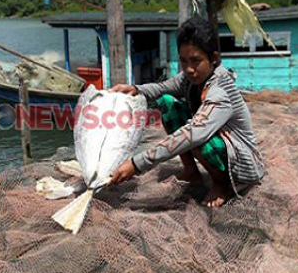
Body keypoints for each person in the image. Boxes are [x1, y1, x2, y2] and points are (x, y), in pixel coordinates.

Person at [109, 16, 264, 207]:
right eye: (183, 61)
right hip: (212, 138)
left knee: (196, 136)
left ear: (213, 58)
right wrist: (136, 89)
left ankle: (223, 185)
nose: (189, 69)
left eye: (196, 61)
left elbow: (194, 133)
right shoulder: (190, 78)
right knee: (166, 103)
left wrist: (137, 163)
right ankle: (191, 172)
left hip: (242, 164)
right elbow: (162, 88)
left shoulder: (221, 90)